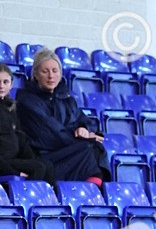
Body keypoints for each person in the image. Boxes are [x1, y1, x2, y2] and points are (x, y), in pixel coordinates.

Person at [15, 49, 110, 184]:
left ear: (60, 73)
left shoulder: (65, 98)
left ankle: (93, 190)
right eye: (45, 71)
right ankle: (91, 190)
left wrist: (83, 128)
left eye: (55, 71)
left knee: (96, 147)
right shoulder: (27, 100)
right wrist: (82, 138)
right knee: (89, 147)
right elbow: (50, 134)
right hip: (44, 156)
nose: (51, 76)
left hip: (67, 151)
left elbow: (84, 119)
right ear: (35, 74)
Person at [0, 64, 57, 186]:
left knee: (47, 165)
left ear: (11, 84)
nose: (1, 86)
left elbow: (21, 139)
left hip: (12, 160)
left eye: (5, 82)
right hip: (3, 163)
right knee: (38, 167)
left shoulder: (10, 108)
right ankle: (26, 200)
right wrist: (13, 172)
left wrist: (32, 160)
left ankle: (53, 202)